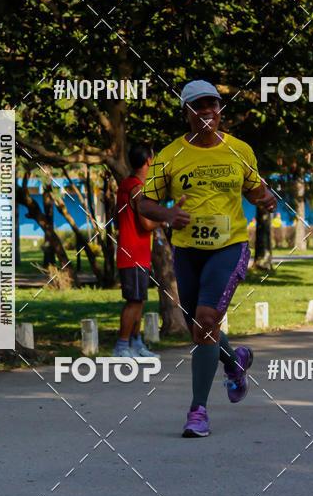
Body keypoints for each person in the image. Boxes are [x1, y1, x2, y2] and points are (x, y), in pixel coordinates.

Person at [139, 80, 277, 437]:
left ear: (219, 110)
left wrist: (266, 198)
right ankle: (235, 362)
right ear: (185, 112)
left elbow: (255, 187)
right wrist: (169, 215)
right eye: (198, 106)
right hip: (187, 250)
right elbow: (144, 202)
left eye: (212, 105)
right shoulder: (169, 155)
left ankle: (197, 411)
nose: (206, 112)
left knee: (205, 319)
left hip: (229, 246)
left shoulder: (240, 150)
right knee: (200, 328)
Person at [114, 142, 162, 358]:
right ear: (149, 161)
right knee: (134, 301)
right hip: (133, 253)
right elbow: (147, 224)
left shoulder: (126, 184)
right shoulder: (137, 189)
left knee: (139, 299)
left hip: (136, 252)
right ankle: (122, 346)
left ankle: (136, 343)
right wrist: (165, 217)